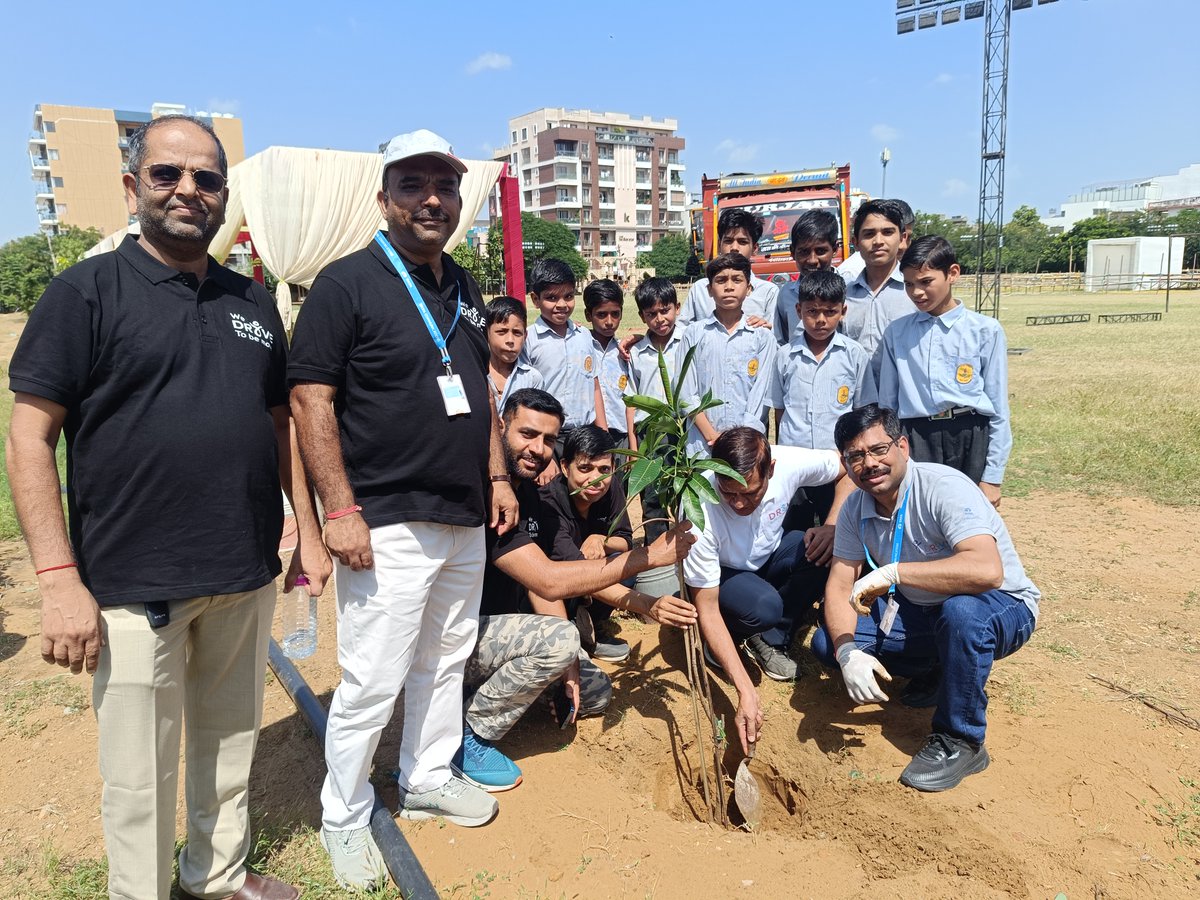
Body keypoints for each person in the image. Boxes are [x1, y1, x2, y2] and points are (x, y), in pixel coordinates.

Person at [6, 114, 328, 900]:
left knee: (228, 744)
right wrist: (57, 578)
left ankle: (214, 877)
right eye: (167, 174)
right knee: (138, 776)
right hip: (131, 582)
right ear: (133, 187)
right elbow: (30, 436)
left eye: (207, 178)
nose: (189, 189)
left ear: (223, 197)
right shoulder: (84, 293)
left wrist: (310, 535)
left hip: (242, 569)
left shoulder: (252, 300)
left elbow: (278, 425)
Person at [288, 129, 519, 889]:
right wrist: (339, 510)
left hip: (462, 513)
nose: (431, 200)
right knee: (373, 677)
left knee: (444, 659)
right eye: (413, 185)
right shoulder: (345, 284)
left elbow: (480, 391)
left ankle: (424, 776)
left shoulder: (464, 286)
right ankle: (344, 814)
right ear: (384, 197)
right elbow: (311, 400)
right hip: (385, 516)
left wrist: (497, 475)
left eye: (444, 186)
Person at [459, 389, 698, 791]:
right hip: (462, 633)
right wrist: (648, 562)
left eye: (548, 440)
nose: (538, 449)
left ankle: (513, 687)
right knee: (564, 639)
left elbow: (542, 589)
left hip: (514, 625)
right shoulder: (495, 494)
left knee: (595, 690)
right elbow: (553, 579)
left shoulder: (527, 494)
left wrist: (567, 664)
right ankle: (466, 733)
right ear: (500, 428)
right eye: (527, 434)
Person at [811, 404, 1039, 792]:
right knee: (827, 643)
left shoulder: (942, 487)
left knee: (962, 614)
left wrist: (895, 573)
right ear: (846, 464)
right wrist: (847, 652)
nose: (870, 463)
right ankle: (940, 669)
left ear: (902, 446)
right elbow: (839, 585)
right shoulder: (854, 508)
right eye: (856, 456)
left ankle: (961, 740)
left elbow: (988, 571)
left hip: (999, 605)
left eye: (878, 449)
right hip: (921, 608)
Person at [684, 428, 848, 734]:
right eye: (728, 492)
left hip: (769, 556)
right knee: (764, 607)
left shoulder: (787, 461)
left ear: (770, 469)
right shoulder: (699, 507)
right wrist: (745, 690)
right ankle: (725, 639)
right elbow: (706, 607)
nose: (738, 504)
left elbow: (846, 466)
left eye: (750, 493)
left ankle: (770, 639)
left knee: (818, 550)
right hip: (725, 574)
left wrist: (832, 524)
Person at [878, 236, 1011, 508]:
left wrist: (992, 477)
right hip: (916, 437)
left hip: (969, 434)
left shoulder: (985, 330)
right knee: (920, 512)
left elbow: (998, 407)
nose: (916, 292)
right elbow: (888, 405)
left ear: (952, 273)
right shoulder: (897, 333)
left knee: (969, 516)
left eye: (926, 281)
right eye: (909, 284)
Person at [771, 268, 876, 530]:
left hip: (838, 462)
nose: (820, 320)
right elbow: (780, 412)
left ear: (843, 311)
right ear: (799, 311)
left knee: (840, 528)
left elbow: (862, 411)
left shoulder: (854, 355)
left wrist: (852, 453)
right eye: (812, 311)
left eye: (830, 312)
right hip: (795, 463)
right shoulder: (784, 356)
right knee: (794, 530)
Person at [539, 425, 635, 663]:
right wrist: (648, 605)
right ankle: (571, 634)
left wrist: (601, 540)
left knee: (625, 565)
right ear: (565, 467)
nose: (595, 479)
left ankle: (592, 625)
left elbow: (625, 540)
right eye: (585, 468)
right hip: (557, 585)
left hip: (592, 577)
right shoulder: (547, 503)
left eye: (604, 469)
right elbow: (570, 572)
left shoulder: (611, 487)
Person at [679, 254, 777, 457]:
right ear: (709, 289)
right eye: (721, 280)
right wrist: (712, 436)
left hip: (747, 447)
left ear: (749, 288)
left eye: (737, 280)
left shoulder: (762, 337)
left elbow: (761, 393)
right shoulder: (694, 334)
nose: (729, 287)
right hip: (702, 447)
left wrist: (741, 439)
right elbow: (686, 393)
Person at [521, 258, 607, 466]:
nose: (561, 305)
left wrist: (603, 433)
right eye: (551, 298)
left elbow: (594, 384)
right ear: (535, 299)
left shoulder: (584, 336)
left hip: (585, 433)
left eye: (568, 296)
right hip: (547, 436)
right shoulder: (529, 340)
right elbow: (524, 396)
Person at [624, 277, 684, 544]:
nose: (660, 319)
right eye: (651, 314)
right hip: (650, 432)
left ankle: (688, 549)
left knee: (684, 489)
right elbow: (632, 401)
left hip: (683, 428)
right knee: (652, 495)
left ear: (677, 308)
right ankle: (656, 549)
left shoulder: (689, 340)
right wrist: (634, 447)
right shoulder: (637, 352)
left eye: (665, 310)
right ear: (642, 316)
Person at [842, 199, 915, 376]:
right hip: (855, 390)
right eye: (869, 234)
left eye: (888, 232)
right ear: (856, 242)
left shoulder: (916, 293)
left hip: (902, 391)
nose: (878, 241)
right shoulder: (844, 295)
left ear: (902, 238)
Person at [679, 208, 780, 327]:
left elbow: (775, 333)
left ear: (754, 248)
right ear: (719, 244)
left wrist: (766, 329)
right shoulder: (700, 289)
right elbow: (682, 329)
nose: (734, 248)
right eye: (728, 241)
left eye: (742, 242)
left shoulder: (768, 292)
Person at [774, 209, 843, 345]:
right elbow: (781, 341)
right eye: (804, 252)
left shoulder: (850, 289)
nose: (812, 260)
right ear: (792, 252)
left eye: (820, 251)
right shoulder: (786, 294)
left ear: (835, 249)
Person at [583, 279, 630, 448]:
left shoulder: (626, 351)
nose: (609, 321)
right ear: (588, 315)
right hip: (589, 436)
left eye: (615, 314)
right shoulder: (581, 346)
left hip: (622, 435)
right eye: (601, 314)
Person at [485, 296, 543, 415]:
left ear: (525, 336)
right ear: (486, 333)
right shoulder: (476, 373)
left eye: (517, 333)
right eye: (501, 332)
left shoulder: (532, 378)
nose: (510, 340)